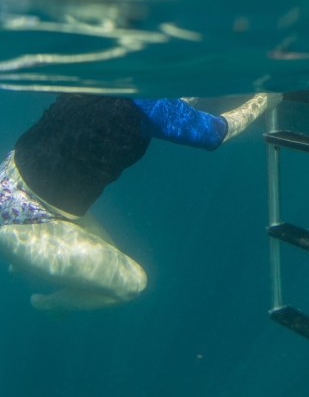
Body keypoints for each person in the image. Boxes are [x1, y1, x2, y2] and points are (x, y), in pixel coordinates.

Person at [0, 92, 275, 312]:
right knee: (131, 284)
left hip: (9, 181)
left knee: (110, 255)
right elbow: (217, 133)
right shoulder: (153, 108)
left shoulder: (101, 74)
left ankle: (29, 260)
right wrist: (266, 99)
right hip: (22, 220)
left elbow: (174, 107)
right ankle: (50, 304)